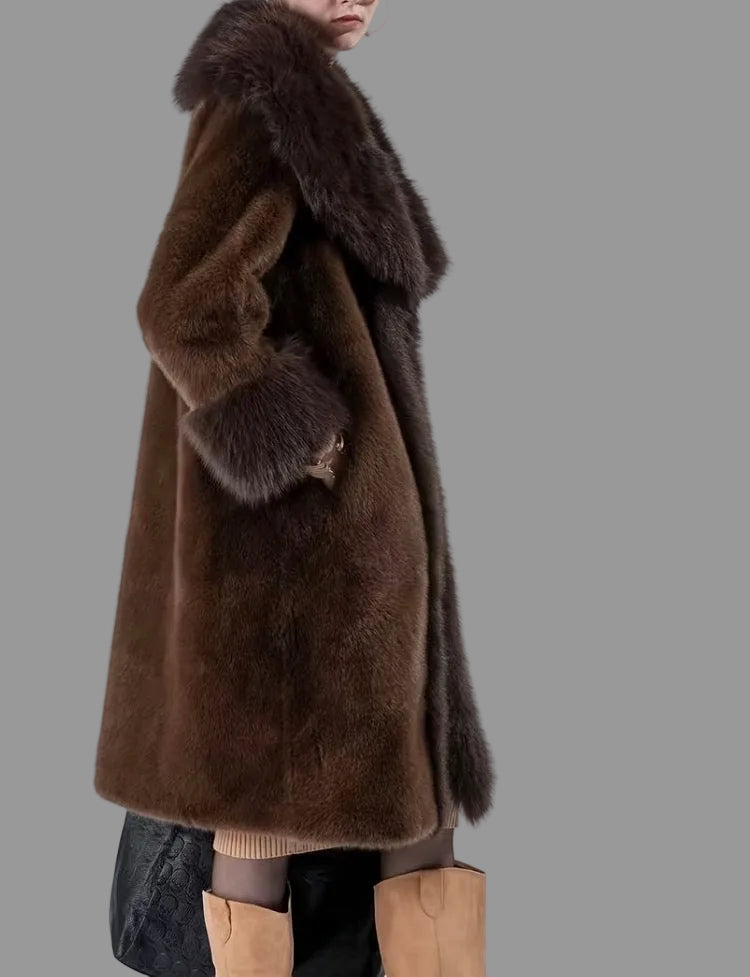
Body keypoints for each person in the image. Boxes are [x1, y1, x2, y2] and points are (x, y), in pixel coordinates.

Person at [94, 1, 495, 974]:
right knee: (271, 821)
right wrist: (304, 445)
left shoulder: (302, 95)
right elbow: (183, 305)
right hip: (291, 565)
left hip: (350, 565)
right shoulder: (261, 94)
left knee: (415, 813)